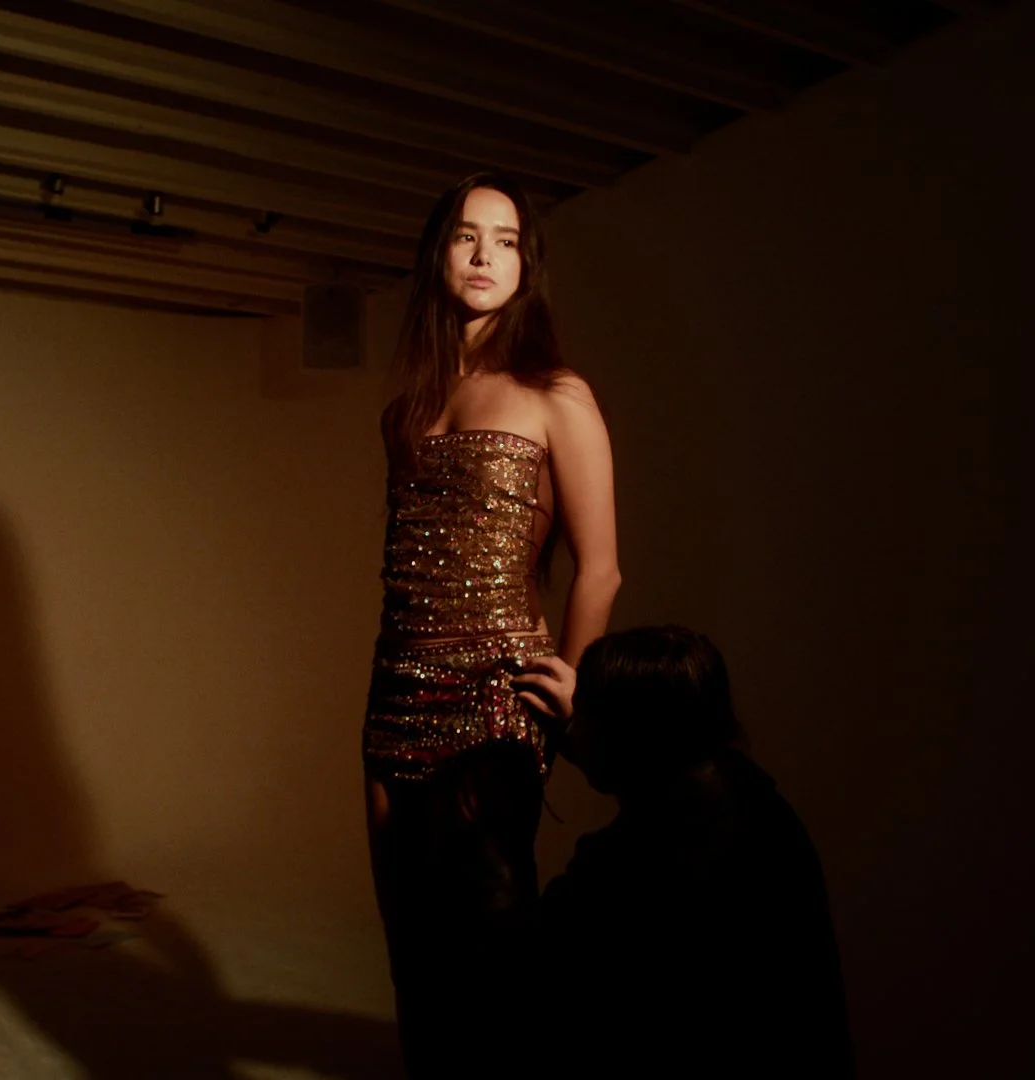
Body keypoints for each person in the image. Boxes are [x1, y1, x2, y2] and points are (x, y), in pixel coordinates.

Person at [361, 172, 620, 1078]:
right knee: (410, 943)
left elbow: (601, 565)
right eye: (467, 236)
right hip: (395, 694)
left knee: (490, 944)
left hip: (496, 700)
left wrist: (572, 685)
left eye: (505, 241)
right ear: (438, 253)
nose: (483, 256)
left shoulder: (558, 394)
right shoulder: (406, 413)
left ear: (526, 266)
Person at [518, 625, 855, 1078]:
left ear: (626, 737)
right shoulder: (759, 805)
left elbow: (534, 968)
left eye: (590, 713)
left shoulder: (624, 869)